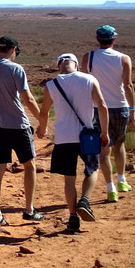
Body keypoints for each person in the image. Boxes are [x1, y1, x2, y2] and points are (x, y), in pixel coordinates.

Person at [37, 53, 110, 233]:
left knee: (69, 179)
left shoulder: (51, 85)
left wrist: (42, 129)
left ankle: (72, 218)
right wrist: (105, 132)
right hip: (87, 135)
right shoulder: (89, 79)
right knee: (92, 169)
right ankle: (85, 200)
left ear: (59, 65)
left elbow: (44, 112)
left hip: (63, 137)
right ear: (76, 65)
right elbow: (102, 105)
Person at [0, 35, 43, 227]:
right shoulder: (16, 68)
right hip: (18, 126)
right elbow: (28, 98)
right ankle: (29, 210)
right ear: (14, 49)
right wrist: (42, 120)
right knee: (29, 166)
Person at [80, 25, 135, 202]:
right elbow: (128, 85)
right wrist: (133, 109)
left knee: (104, 150)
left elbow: (84, 84)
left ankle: (110, 189)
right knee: (119, 144)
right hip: (120, 107)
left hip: (97, 108)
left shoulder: (88, 57)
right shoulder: (123, 58)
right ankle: (122, 180)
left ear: (98, 39)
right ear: (114, 39)